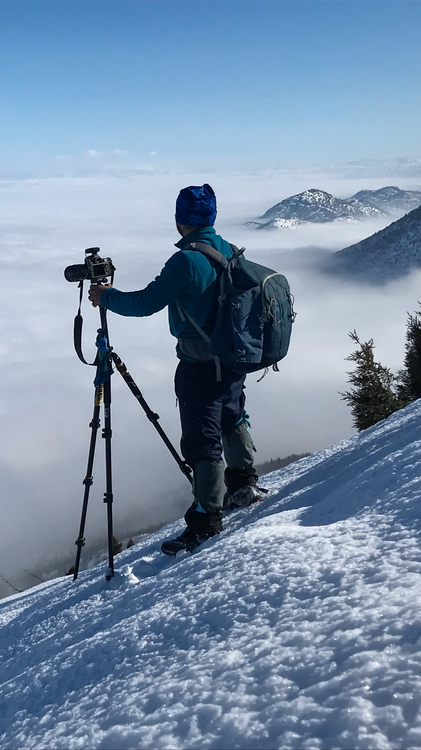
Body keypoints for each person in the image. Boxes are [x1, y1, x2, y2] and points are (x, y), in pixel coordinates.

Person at [87, 184, 264, 555]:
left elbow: (147, 302)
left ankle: (206, 517)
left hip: (200, 364)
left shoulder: (186, 261)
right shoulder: (227, 249)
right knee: (233, 415)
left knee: (202, 439)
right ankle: (244, 481)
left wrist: (106, 297)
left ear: (181, 220)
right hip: (233, 357)